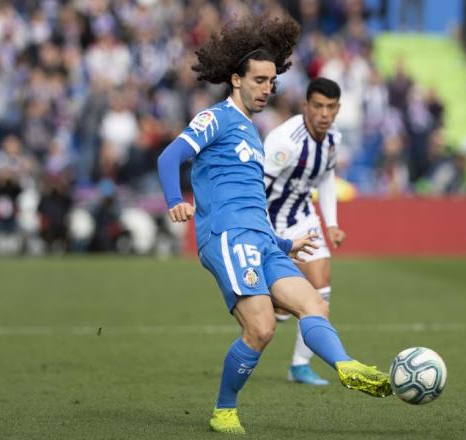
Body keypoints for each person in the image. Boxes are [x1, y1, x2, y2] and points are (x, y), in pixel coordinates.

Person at [156, 14, 391, 435]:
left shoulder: (251, 131)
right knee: (262, 327)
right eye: (259, 80)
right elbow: (169, 157)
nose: (268, 88)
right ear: (235, 79)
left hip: (264, 240)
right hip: (226, 238)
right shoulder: (217, 119)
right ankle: (224, 410)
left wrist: (283, 244)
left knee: (315, 303)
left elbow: (252, 202)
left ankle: (347, 367)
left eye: (271, 82)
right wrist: (175, 201)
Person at [263, 77, 346, 385]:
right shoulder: (285, 141)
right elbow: (258, 189)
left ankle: (299, 365)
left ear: (338, 109)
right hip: (269, 221)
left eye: (331, 107)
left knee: (321, 288)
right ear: (306, 106)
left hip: (302, 216)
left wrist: (332, 224)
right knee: (276, 309)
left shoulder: (333, 139)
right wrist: (265, 235)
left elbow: (326, 178)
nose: (324, 114)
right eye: (318, 106)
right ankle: (277, 305)